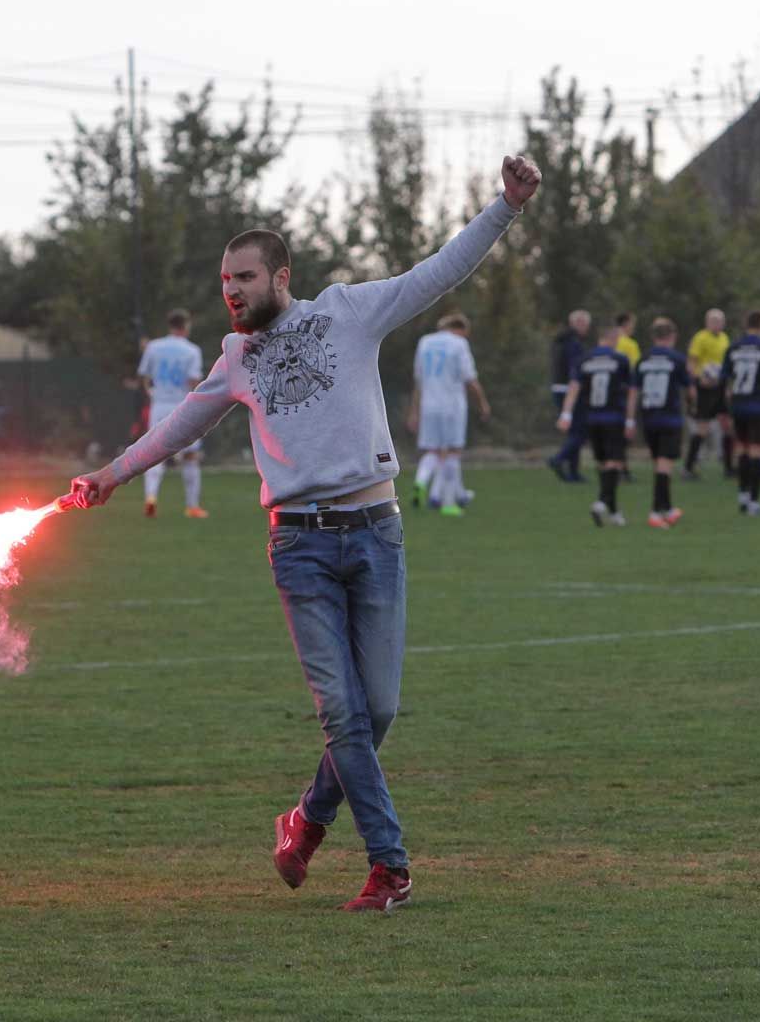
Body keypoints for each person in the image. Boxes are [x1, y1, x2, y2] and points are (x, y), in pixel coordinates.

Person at [66, 154, 542, 914]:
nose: (231, 291)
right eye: (225, 281)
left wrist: (506, 208)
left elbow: (438, 273)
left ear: (281, 276)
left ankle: (309, 818)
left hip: (376, 533)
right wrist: (111, 475)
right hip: (300, 548)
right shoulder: (234, 357)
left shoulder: (349, 312)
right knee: (343, 714)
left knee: (378, 710)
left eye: (244, 278)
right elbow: (181, 424)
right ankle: (391, 867)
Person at [408, 312, 490, 516]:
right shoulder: (458, 344)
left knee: (433, 451)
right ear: (460, 329)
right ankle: (448, 503)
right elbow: (470, 378)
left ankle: (421, 482)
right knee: (453, 452)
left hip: (429, 405)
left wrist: (414, 411)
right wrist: (482, 403)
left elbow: (418, 380)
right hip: (452, 405)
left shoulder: (425, 342)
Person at [559, 322, 637, 526]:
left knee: (603, 464)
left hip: (591, 419)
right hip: (614, 418)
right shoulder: (620, 360)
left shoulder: (584, 359)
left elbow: (574, 388)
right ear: (613, 339)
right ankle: (601, 502)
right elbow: (630, 392)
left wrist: (566, 414)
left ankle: (613, 512)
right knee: (615, 463)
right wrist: (630, 419)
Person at [136, 309, 209, 518]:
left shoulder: (153, 346)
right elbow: (194, 380)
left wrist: (151, 392)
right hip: (182, 406)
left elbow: (144, 376)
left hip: (159, 406)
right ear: (185, 325)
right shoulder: (192, 350)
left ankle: (151, 498)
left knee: (153, 454)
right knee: (190, 456)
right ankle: (192, 506)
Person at [721, 310, 760, 515]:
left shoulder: (733, 347)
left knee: (742, 450)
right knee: (756, 453)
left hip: (738, 405)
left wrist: (724, 408)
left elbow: (723, 379)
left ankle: (742, 495)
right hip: (757, 405)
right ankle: (754, 501)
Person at [635, 317, 692, 529]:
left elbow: (635, 390)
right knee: (664, 465)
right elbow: (689, 388)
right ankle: (655, 512)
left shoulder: (643, 359)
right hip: (669, 417)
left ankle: (668, 508)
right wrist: (692, 404)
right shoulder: (676, 359)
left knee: (660, 464)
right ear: (672, 337)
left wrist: (631, 419)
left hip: (648, 417)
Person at [685, 308, 731, 480]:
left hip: (720, 386)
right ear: (707, 322)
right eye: (714, 321)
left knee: (727, 425)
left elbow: (726, 366)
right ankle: (689, 467)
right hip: (704, 387)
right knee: (702, 427)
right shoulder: (700, 338)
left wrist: (726, 387)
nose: (718, 324)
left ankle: (729, 467)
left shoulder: (725, 338)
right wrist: (696, 382)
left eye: (720, 321)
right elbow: (691, 363)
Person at [546, 310, 590, 483]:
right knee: (581, 431)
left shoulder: (560, 341)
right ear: (578, 323)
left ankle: (573, 472)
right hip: (570, 390)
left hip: (557, 387)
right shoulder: (574, 343)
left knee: (574, 431)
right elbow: (576, 371)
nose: (587, 328)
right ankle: (558, 459)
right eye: (585, 324)